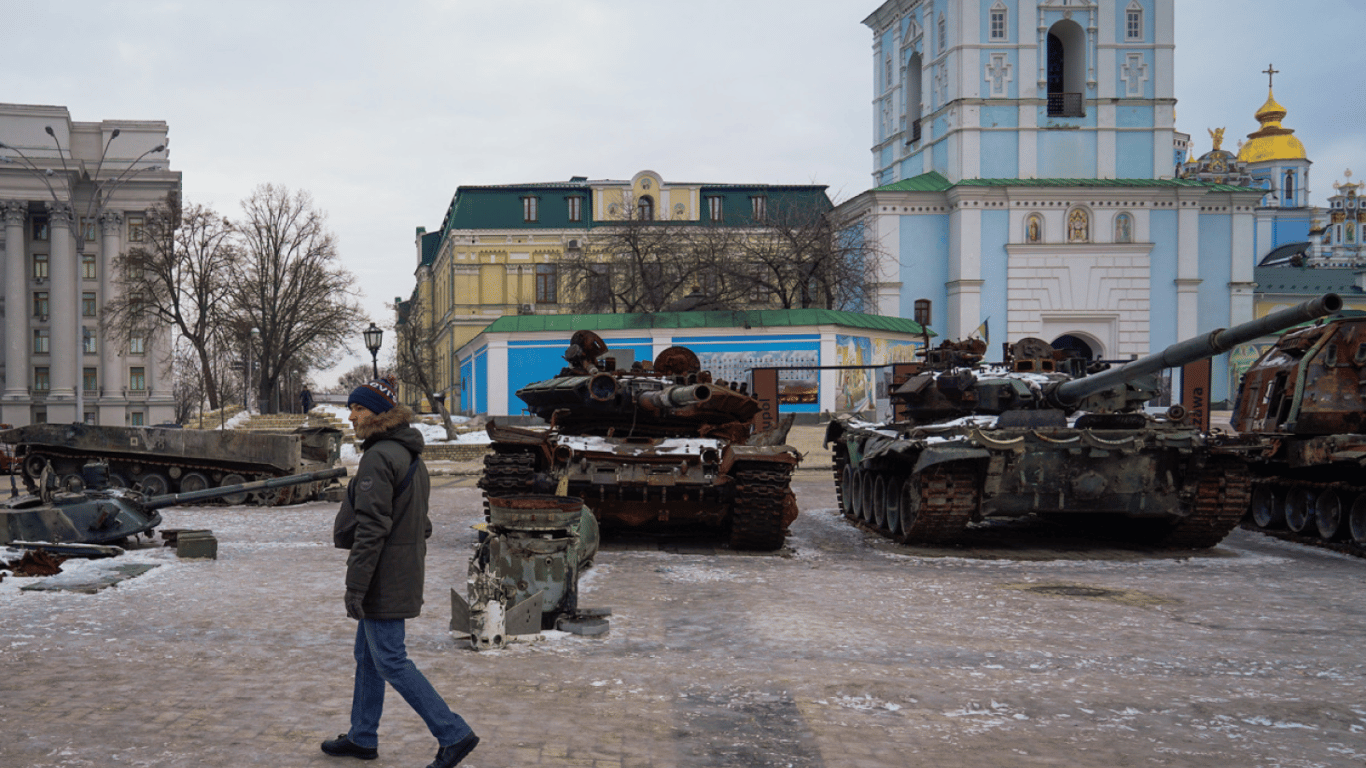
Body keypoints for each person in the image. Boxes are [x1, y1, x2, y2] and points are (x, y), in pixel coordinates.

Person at [323, 375, 479, 768]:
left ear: (378, 413)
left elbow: (372, 528)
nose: (352, 416)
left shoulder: (379, 457)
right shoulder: (409, 455)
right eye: (351, 408)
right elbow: (421, 523)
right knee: (367, 655)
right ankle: (362, 736)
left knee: (391, 660)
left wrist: (356, 586)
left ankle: (453, 733)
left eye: (359, 408)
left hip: (384, 576)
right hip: (400, 569)